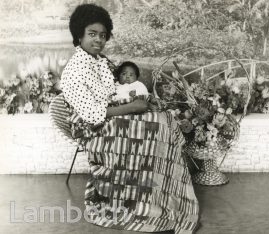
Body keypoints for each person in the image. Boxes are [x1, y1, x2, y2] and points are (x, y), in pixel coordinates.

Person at [61, 4, 200, 234]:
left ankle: (166, 196)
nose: (99, 40)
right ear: (79, 34)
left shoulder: (99, 60)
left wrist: (136, 101)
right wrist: (133, 107)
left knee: (164, 119)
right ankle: (146, 202)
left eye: (103, 35)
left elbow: (115, 89)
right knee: (156, 129)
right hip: (93, 127)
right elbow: (92, 114)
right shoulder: (74, 70)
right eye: (92, 34)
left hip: (110, 112)